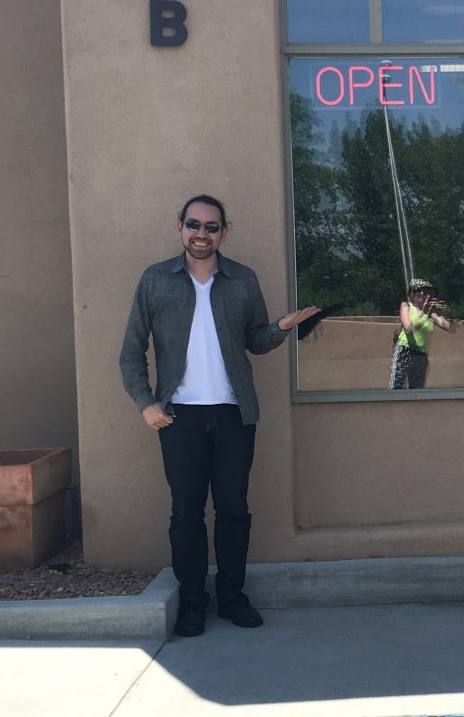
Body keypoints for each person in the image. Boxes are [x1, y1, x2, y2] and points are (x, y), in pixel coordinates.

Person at [118, 194, 320, 638]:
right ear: (180, 228)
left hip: (233, 415)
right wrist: (147, 403)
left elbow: (257, 342)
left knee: (233, 511)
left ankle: (231, 596)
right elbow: (131, 351)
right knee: (186, 513)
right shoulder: (155, 281)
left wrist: (282, 328)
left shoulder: (242, 280)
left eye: (211, 227)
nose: (201, 233)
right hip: (178, 417)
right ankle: (192, 601)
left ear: (223, 233)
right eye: (194, 224)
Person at [389, 277, 458, 390]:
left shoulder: (431, 314)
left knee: (417, 390)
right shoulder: (406, 306)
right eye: (418, 290)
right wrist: (423, 315)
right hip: (405, 350)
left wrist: (447, 313)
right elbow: (409, 329)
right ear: (411, 294)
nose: (422, 293)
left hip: (421, 354)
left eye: (425, 291)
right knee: (396, 386)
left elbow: (451, 328)